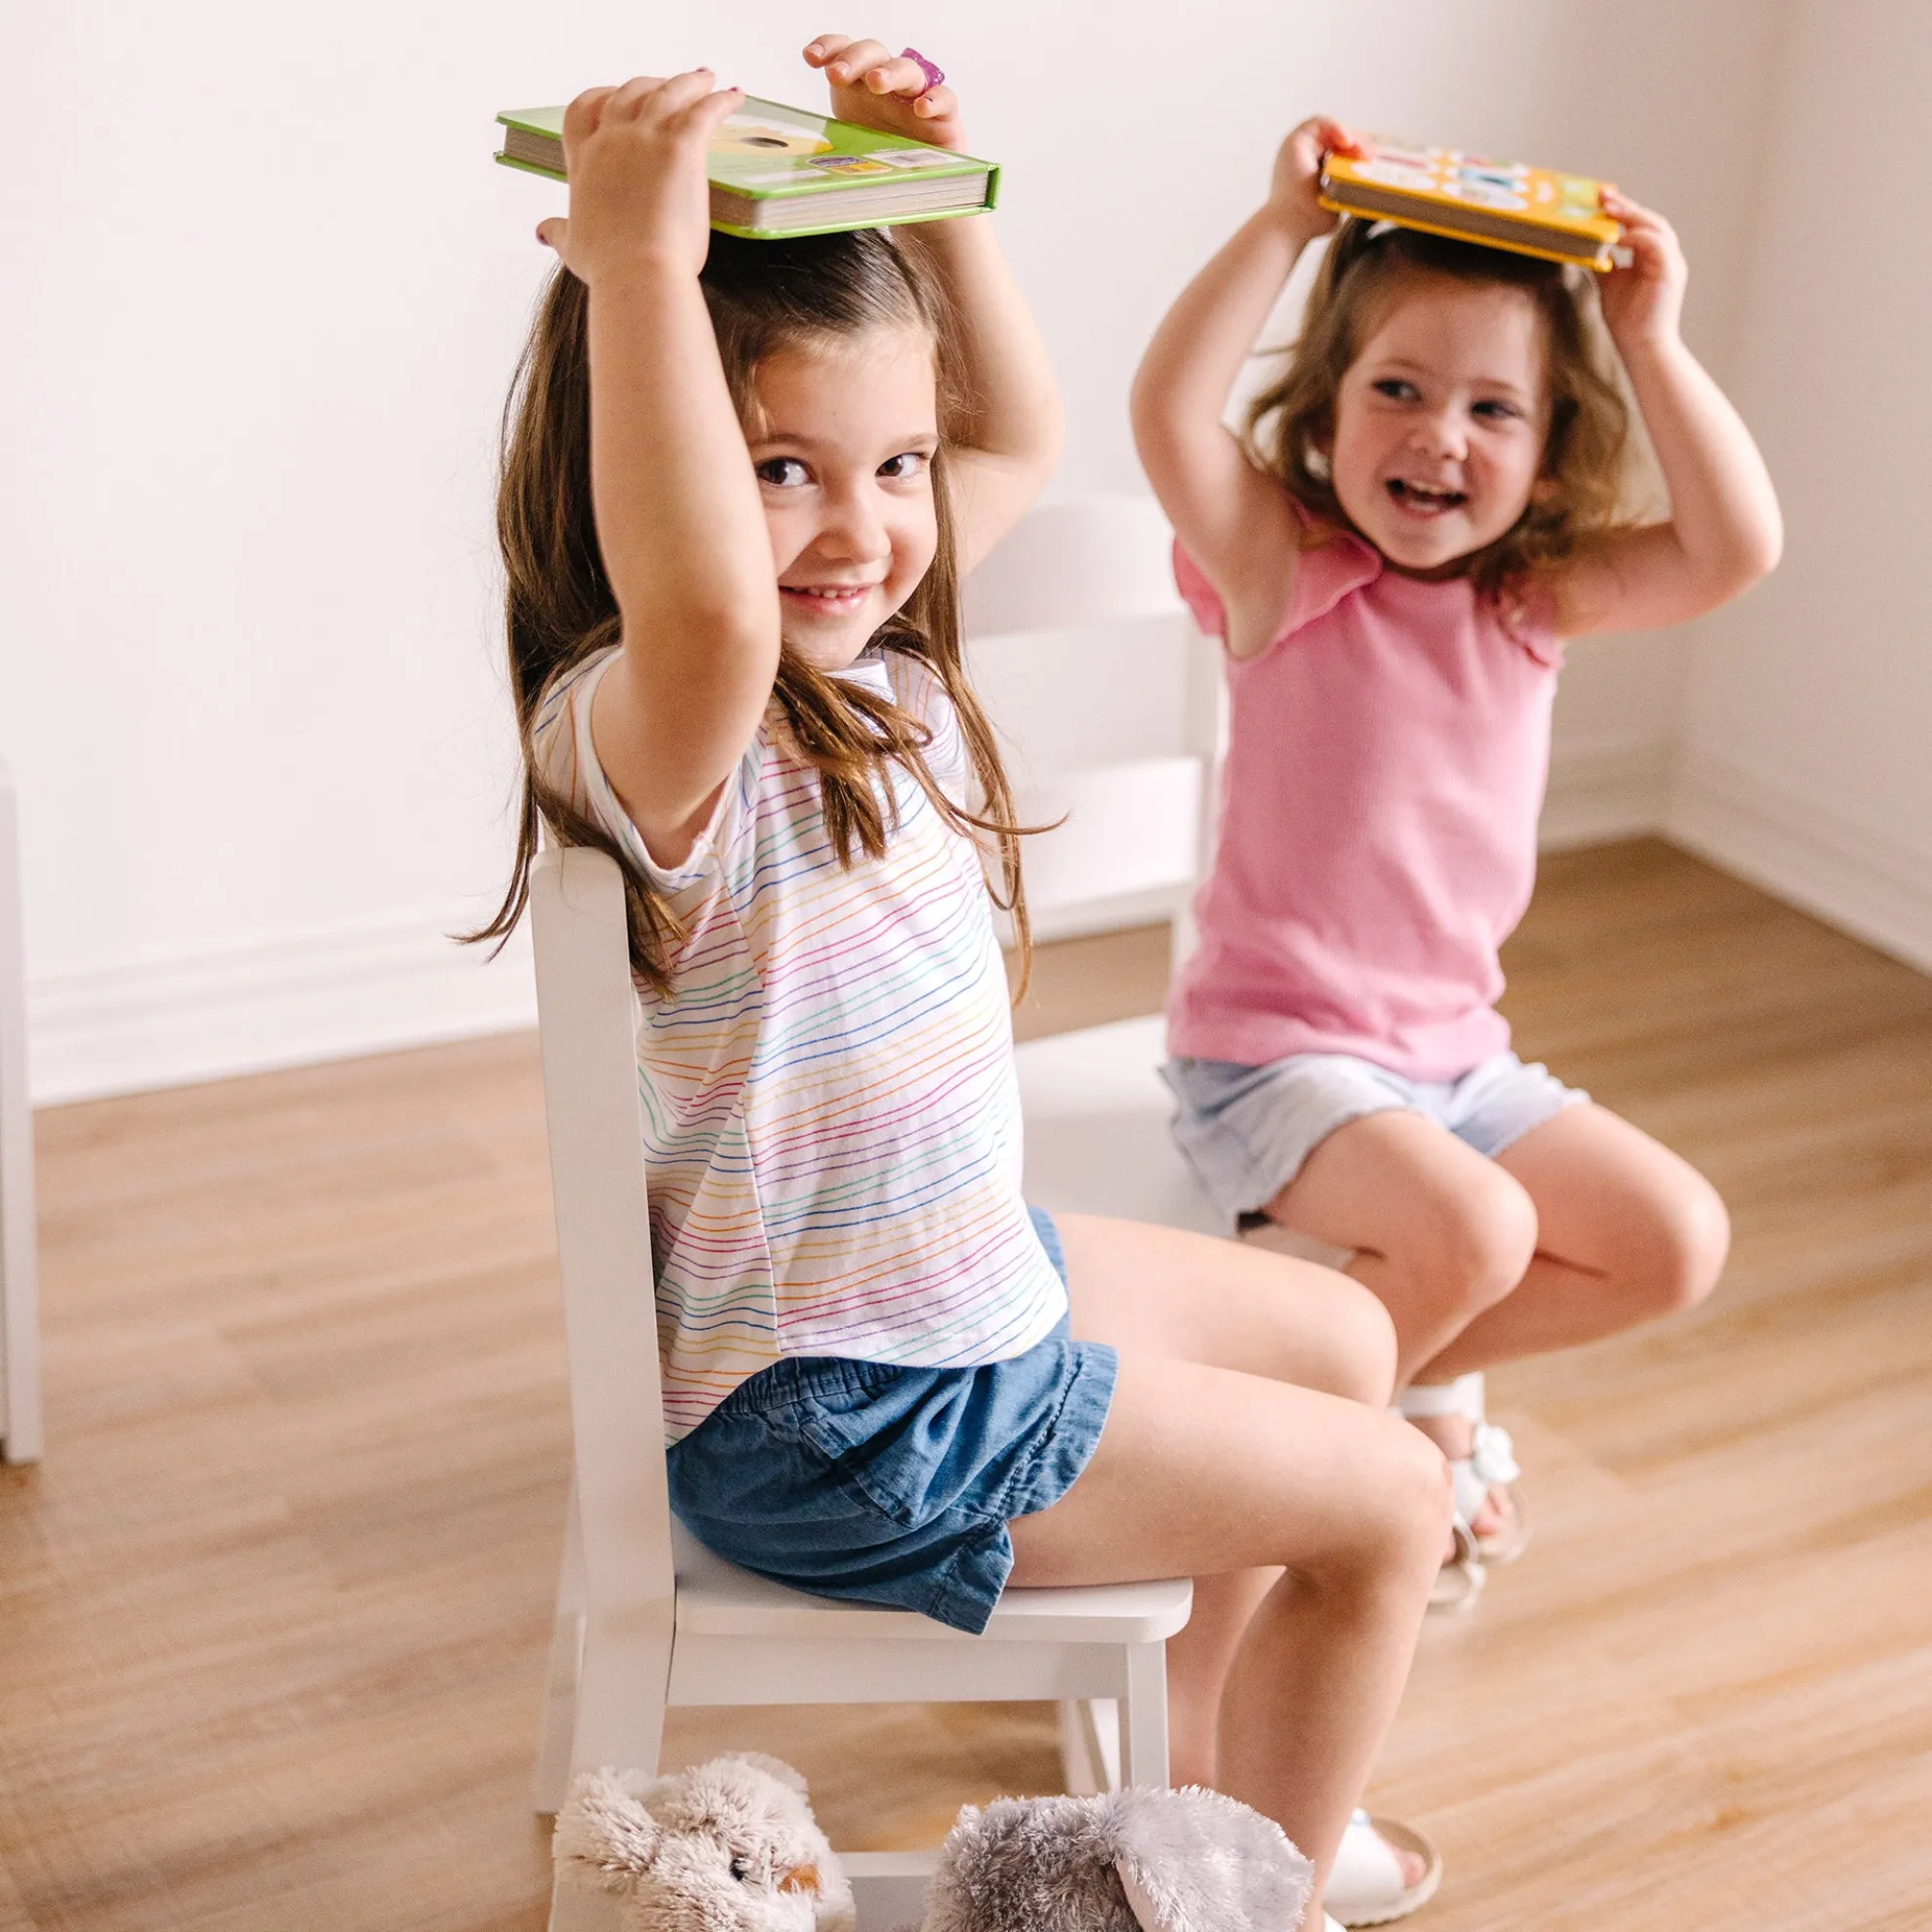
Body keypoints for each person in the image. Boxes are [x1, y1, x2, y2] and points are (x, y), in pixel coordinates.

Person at [475, 47, 1449, 1931]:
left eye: (888, 464)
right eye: (778, 469)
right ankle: (1267, 1887)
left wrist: (937, 193)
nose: (862, 526)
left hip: (948, 1283)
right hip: (843, 1411)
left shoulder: (880, 654)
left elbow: (1009, 440)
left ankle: (1193, 1766)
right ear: (654, 449)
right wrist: (641, 276)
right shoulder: (669, 717)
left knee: (1348, 1348)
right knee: (1393, 1502)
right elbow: (709, 606)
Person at [1133, 118, 1781, 1605]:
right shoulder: (1286, 569)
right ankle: (1350, 1427)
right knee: (1483, 1231)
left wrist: (1649, 337)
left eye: (1497, 410)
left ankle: (1303, 1391)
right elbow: (1170, 413)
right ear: (1328, 404)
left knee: (1674, 1240)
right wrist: (1280, 231)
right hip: (1275, 1058)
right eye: (1399, 390)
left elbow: (1736, 545)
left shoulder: (1531, 601)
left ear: (1548, 455)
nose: (1440, 434)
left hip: (1456, 1064)